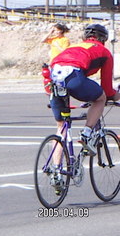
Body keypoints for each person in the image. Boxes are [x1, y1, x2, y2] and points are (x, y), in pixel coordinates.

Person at [48, 24, 120, 193]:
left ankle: (56, 172)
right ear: (104, 39)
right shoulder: (104, 52)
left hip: (55, 78)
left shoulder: (73, 46)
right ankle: (87, 133)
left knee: (61, 128)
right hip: (74, 77)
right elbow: (108, 90)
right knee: (100, 98)